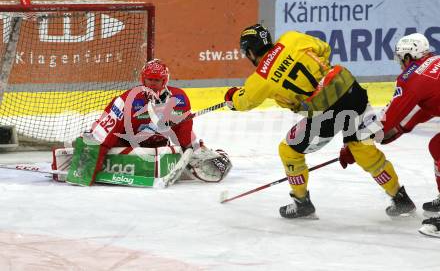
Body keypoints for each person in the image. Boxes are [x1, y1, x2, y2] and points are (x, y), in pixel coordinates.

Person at [224, 24, 415, 219]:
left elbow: (243, 102)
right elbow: (324, 48)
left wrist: (231, 97)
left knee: (288, 150)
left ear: (249, 51)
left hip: (326, 113)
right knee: (363, 150)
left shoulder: (260, 79)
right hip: (351, 91)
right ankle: (400, 198)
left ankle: (301, 202)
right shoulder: (291, 39)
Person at [67, 59, 231, 186]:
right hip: (124, 143)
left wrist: (193, 151)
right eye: (148, 80)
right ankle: (81, 149)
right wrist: (86, 170)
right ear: (142, 79)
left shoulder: (179, 99)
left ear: (165, 81)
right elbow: (102, 134)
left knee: (191, 147)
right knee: (93, 141)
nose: (151, 84)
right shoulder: (126, 101)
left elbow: (185, 136)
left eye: (156, 80)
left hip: (157, 147)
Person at [363, 33, 440, 222]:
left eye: (400, 58)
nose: (400, 63)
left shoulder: (411, 77)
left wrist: (360, 139)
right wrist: (401, 128)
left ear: (408, 56)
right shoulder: (435, 60)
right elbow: (430, 106)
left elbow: (388, 119)